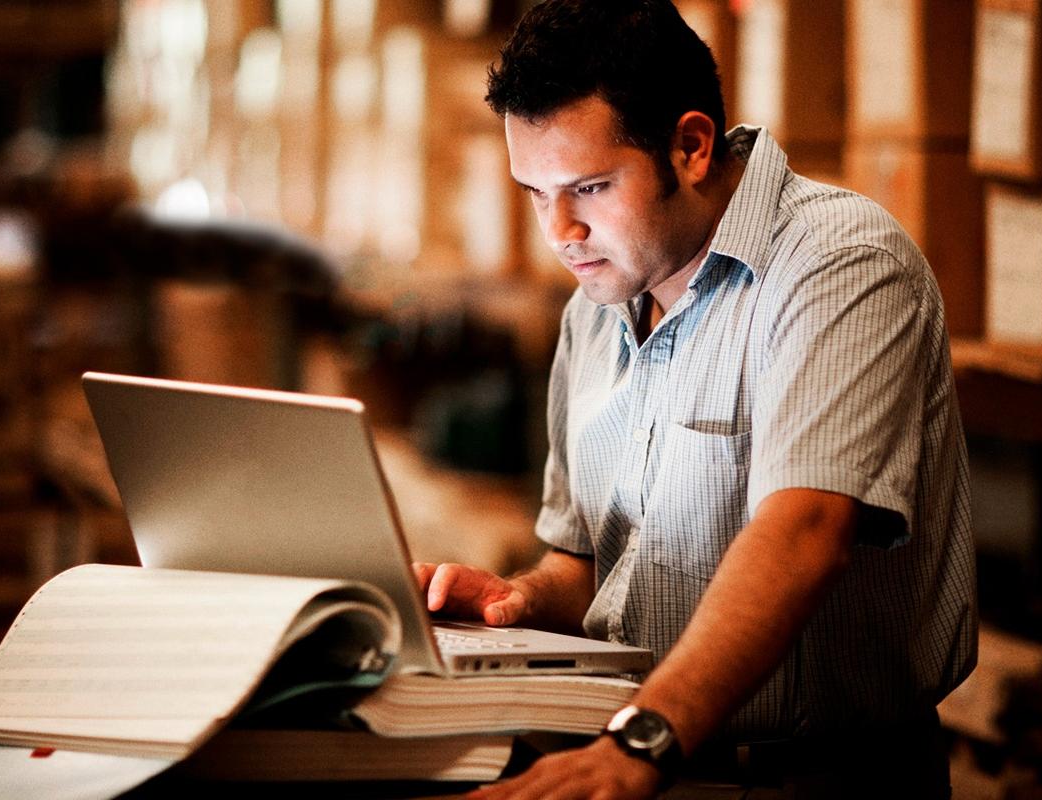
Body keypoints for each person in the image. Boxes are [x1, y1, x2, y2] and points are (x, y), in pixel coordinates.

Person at [413, 2, 977, 797]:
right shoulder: (595, 308)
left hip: (817, 779)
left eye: (590, 187)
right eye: (537, 194)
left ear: (690, 145)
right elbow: (587, 563)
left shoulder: (840, 266)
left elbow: (806, 530)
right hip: (649, 764)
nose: (560, 231)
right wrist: (518, 601)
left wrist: (640, 741)